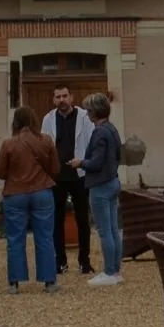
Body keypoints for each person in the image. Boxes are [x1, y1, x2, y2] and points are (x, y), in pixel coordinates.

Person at [0, 106, 60, 294]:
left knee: (15, 238)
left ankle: (14, 283)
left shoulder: (8, 144)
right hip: (42, 192)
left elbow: (0, 172)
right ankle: (49, 281)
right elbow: (55, 169)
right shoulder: (46, 141)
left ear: (15, 122)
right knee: (45, 237)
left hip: (15, 193)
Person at [66, 93, 123, 287]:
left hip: (100, 185)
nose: (87, 114)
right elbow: (118, 154)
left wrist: (80, 162)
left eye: (88, 110)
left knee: (105, 231)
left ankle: (109, 272)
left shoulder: (99, 132)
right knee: (114, 229)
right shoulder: (112, 128)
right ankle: (116, 270)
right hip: (113, 181)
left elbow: (97, 162)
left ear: (94, 112)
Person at [40, 84, 94, 275]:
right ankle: (60, 261)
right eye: (58, 97)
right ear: (54, 99)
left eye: (64, 96)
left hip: (79, 175)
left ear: (71, 97)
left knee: (82, 219)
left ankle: (84, 261)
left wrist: (85, 163)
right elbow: (44, 146)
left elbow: (91, 142)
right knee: (57, 219)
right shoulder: (48, 119)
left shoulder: (84, 117)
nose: (62, 100)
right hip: (57, 177)